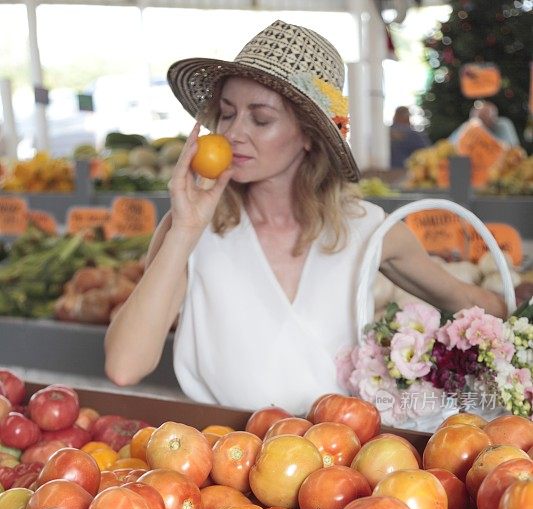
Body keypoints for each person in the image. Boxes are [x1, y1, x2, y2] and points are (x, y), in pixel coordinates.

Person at [104, 19, 508, 415]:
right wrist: (186, 229)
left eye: (260, 118)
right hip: (220, 466)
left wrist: (518, 315)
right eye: (226, 114)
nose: (233, 133)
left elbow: (470, 304)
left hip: (341, 470)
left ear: (311, 136)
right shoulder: (191, 230)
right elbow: (125, 367)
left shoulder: (367, 229)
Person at [449, 101, 520, 148]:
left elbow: (512, 148)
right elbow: (451, 146)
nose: (480, 122)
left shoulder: (503, 124)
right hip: (471, 165)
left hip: (497, 165)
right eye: (478, 118)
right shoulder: (468, 126)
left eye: (484, 116)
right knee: (456, 160)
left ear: (494, 118)